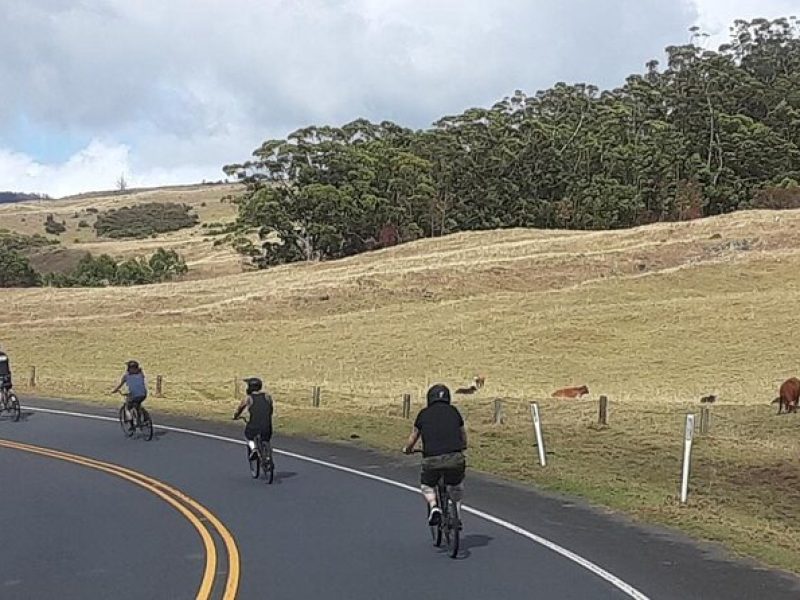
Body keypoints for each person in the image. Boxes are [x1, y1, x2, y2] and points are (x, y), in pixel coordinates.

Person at [403, 384, 467, 526]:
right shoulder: (454, 411)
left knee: (427, 485)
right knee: (456, 484)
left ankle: (434, 506)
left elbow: (413, 437)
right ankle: (455, 511)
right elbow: (463, 434)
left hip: (431, 459)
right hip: (454, 458)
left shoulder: (423, 414)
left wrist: (407, 449)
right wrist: (463, 446)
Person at [233, 377, 274, 460]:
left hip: (254, 426)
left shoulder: (248, 398)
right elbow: (270, 409)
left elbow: (240, 408)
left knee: (248, 436)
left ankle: (254, 448)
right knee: (266, 438)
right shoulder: (267, 396)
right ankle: (268, 454)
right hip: (267, 426)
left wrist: (236, 416)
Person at [111, 360, 148, 430]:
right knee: (138, 404)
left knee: (128, 407)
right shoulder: (141, 374)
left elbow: (120, 385)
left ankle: (131, 424)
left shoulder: (126, 376)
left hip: (134, 395)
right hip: (143, 394)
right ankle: (144, 418)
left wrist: (115, 390)